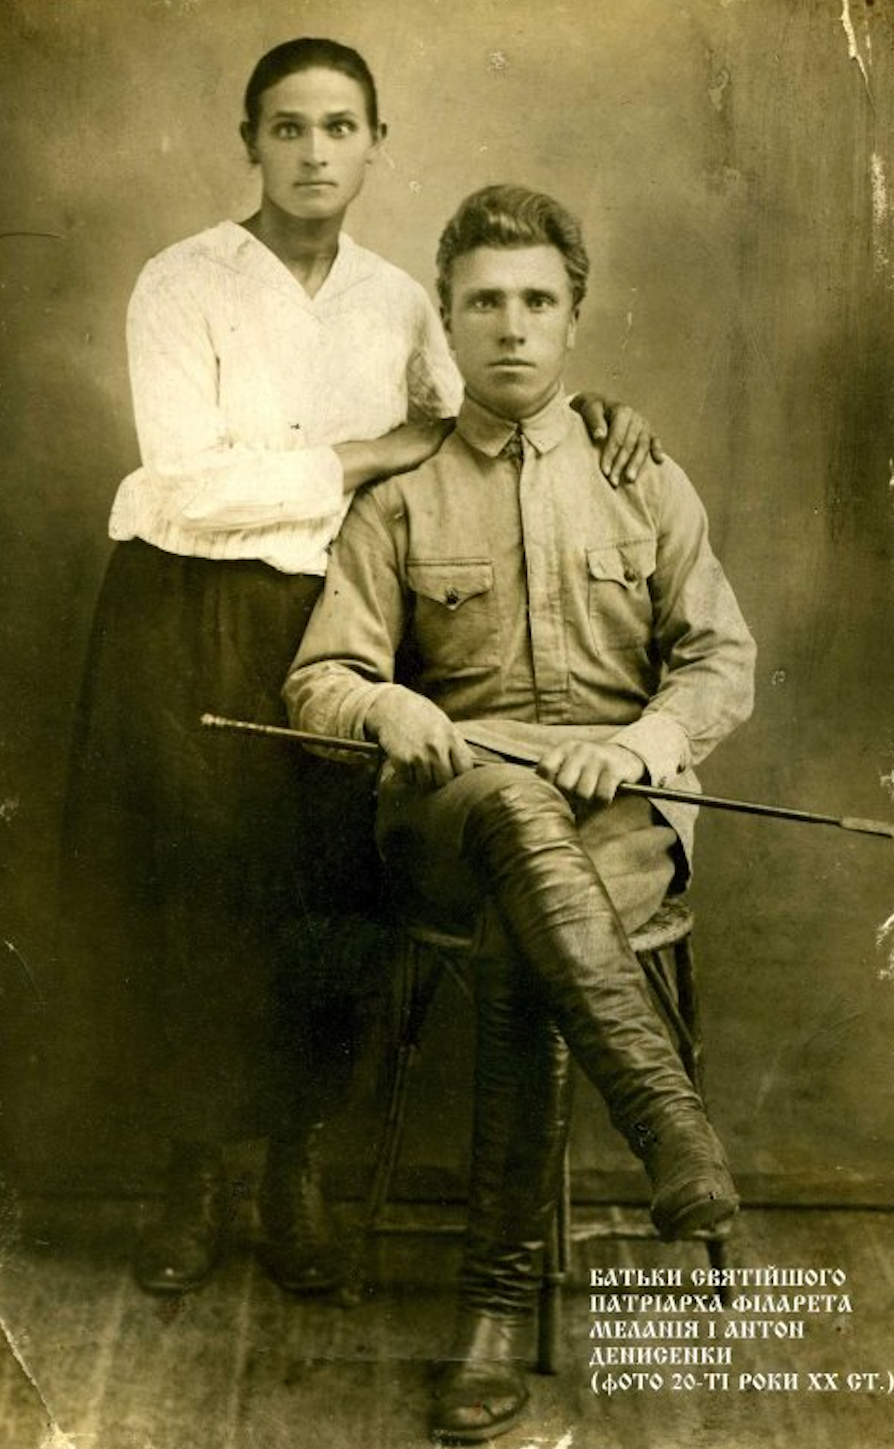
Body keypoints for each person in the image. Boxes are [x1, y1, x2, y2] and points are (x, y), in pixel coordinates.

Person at [56, 40, 660, 1300]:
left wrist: (598, 416)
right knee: (196, 897)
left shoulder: (397, 300)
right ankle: (191, 1179)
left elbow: (483, 418)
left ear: (376, 144)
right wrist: (364, 454)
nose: (315, 153)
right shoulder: (183, 280)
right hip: (189, 612)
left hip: (344, 624)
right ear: (250, 142)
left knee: (326, 903)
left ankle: (298, 1176)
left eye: (341, 128)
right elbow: (185, 485)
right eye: (289, 127)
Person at [286, 183, 757, 1442]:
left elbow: (721, 659)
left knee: (529, 909)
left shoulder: (640, 476)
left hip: (620, 822)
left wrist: (645, 743)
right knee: (506, 811)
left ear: (574, 318)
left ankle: (491, 1311)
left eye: (537, 301)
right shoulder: (398, 495)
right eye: (484, 302)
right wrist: (386, 707)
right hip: (452, 807)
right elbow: (320, 678)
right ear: (445, 321)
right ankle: (670, 1126)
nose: (512, 326)